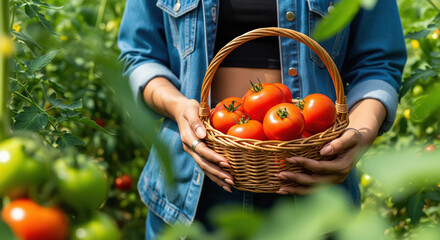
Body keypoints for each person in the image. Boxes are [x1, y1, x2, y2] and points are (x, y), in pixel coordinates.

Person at [117, 0, 407, 239]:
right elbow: (138, 56)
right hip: (192, 186)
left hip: (314, 177)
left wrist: (361, 130)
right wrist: (178, 106)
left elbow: (377, 64)